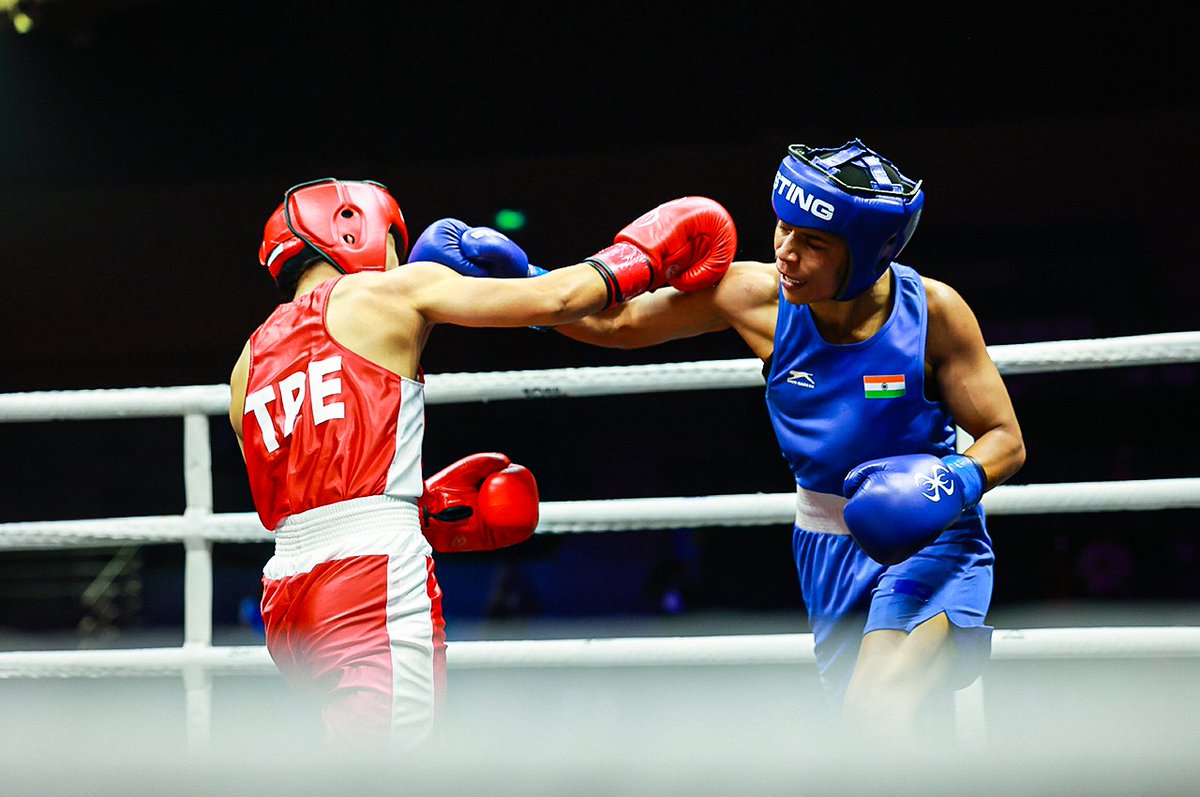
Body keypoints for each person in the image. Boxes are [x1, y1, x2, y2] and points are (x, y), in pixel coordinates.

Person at [428, 140, 1026, 744]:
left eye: (813, 243)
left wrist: (949, 483)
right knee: (891, 742)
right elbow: (618, 324)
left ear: (869, 252)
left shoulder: (934, 312)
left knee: (875, 716)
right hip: (825, 548)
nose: (786, 255)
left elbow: (1005, 438)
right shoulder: (754, 295)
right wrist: (523, 280)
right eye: (783, 230)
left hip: (934, 539)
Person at [227, 177, 738, 750]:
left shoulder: (248, 362)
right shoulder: (389, 293)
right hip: (368, 578)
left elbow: (303, 488)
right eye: (395, 240)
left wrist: (412, 509)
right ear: (354, 227)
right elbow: (561, 301)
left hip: (287, 598)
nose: (399, 256)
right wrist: (645, 251)